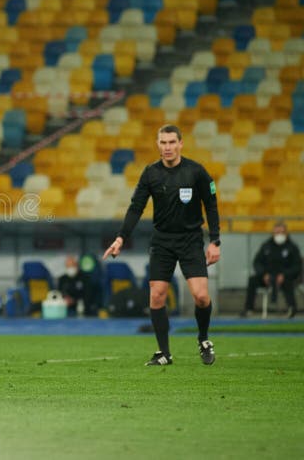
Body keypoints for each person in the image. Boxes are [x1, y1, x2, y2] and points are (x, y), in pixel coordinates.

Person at [103, 124, 221, 366]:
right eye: (163, 143)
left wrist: (215, 240)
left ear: (180, 144)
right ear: (157, 145)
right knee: (157, 297)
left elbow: (211, 204)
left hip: (190, 240)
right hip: (162, 241)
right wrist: (120, 238)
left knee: (200, 296)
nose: (167, 147)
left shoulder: (196, 172)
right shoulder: (150, 174)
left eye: (171, 142)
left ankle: (203, 339)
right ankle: (164, 353)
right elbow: (136, 207)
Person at [242, 221, 301, 318]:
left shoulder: (292, 247)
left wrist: (285, 275)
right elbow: (257, 262)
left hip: (285, 278)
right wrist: (263, 274)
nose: (279, 235)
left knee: (288, 283)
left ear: (286, 233)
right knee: (252, 280)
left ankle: (292, 309)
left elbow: (297, 266)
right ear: (273, 233)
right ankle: (248, 309)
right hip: (267, 277)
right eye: (277, 232)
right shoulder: (266, 246)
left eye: (281, 232)